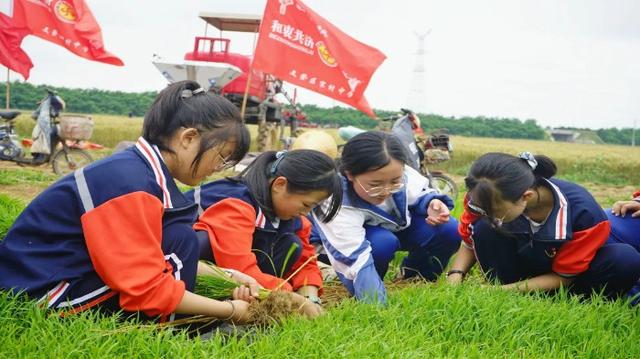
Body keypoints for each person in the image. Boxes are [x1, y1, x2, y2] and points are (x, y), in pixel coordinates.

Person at [0, 80, 257, 323]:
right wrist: (230, 310)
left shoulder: (137, 169)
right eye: (222, 157)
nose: (218, 168)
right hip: (41, 292)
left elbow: (150, 254)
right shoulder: (131, 184)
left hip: (41, 276)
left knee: (179, 239)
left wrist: (230, 276)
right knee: (181, 240)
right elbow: (146, 288)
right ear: (188, 138)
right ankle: (176, 329)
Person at [447, 152, 640, 302]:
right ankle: (515, 293)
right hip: (519, 269)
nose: (487, 213)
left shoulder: (584, 215)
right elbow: (469, 240)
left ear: (526, 197)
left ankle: (568, 303)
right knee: (483, 227)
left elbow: (564, 276)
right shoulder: (483, 196)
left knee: (623, 258)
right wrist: (456, 274)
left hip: (566, 281)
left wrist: (496, 292)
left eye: (495, 210)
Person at [185, 149, 342, 316]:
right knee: (204, 241)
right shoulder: (236, 205)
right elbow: (240, 268)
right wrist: (293, 299)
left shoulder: (292, 217)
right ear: (280, 185)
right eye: (305, 205)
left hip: (233, 272)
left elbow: (305, 264)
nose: (306, 213)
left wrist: (311, 299)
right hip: (185, 268)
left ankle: (246, 299)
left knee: (292, 244)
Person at [311, 131, 461, 305]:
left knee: (448, 228)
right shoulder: (336, 201)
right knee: (383, 242)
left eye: (395, 181)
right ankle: (371, 290)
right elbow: (353, 256)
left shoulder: (397, 171)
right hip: (356, 245)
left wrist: (432, 203)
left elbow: (419, 192)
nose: (386, 190)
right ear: (350, 174)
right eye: (375, 185)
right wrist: (377, 307)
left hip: (393, 228)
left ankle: (416, 277)